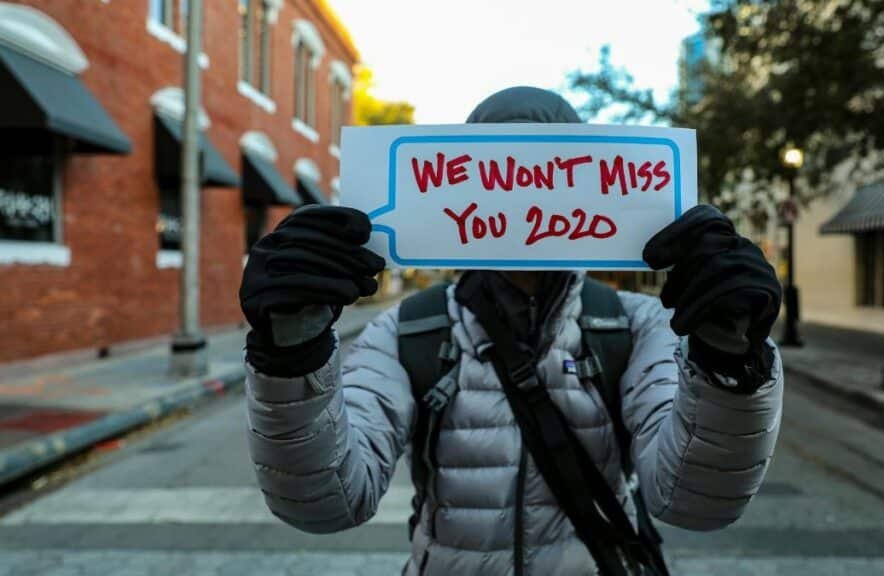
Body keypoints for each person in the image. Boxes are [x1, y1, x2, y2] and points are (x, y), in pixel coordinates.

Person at [239, 86, 784, 576]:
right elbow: (328, 502)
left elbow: (698, 502)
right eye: (504, 173)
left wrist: (727, 356)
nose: (527, 200)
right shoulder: (406, 330)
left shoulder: (638, 326)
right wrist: (292, 353)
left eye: (551, 173)